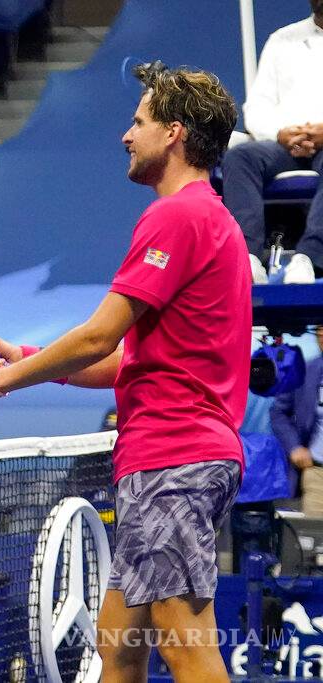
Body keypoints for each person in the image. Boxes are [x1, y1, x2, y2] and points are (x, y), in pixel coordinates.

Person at [0, 65, 248, 682]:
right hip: (167, 460)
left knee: (189, 651)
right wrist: (28, 359)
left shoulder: (177, 217)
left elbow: (97, 335)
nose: (125, 135)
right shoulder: (212, 219)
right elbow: (125, 358)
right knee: (118, 647)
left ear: (175, 133)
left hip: (174, 461)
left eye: (139, 122)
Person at [221, 0, 323, 285]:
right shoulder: (282, 41)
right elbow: (257, 107)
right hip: (285, 144)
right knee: (240, 157)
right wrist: (281, 133)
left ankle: (308, 257)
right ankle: (249, 258)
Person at [270, 326, 323, 516]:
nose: (321, 334)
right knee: (315, 541)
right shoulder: (304, 372)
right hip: (317, 475)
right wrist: (294, 446)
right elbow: (278, 412)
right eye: (319, 329)